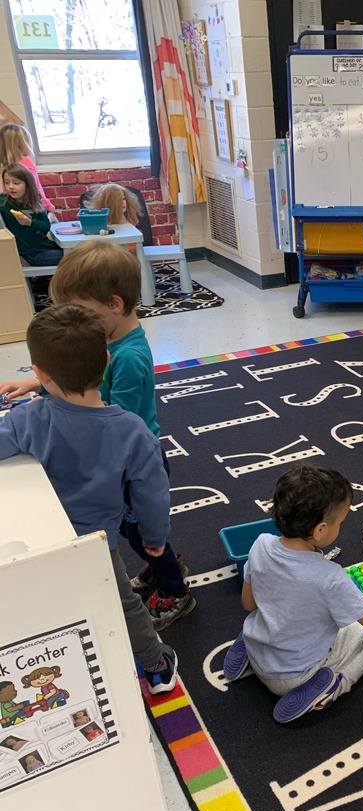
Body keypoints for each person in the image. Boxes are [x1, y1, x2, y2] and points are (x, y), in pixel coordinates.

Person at [0, 242, 194, 629]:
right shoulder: (104, 343)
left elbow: (120, 422)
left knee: (143, 534)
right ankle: (160, 563)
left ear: (114, 304)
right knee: (130, 529)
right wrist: (37, 385)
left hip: (132, 462)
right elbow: (82, 384)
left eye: (81, 311)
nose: (77, 321)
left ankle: (175, 590)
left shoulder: (129, 359)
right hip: (118, 456)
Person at [0, 304, 178, 696]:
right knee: (125, 603)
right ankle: (157, 667)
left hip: (38, 539)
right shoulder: (133, 431)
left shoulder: (28, 419)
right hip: (97, 543)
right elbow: (152, 493)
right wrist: (154, 538)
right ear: (107, 359)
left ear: (40, 373)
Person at [222, 465, 363, 724]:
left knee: (271, 614)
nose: (342, 527)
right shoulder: (330, 577)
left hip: (260, 647)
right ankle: (333, 686)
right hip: (293, 678)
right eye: (341, 522)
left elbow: (248, 604)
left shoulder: (260, 543)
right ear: (320, 530)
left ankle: (252, 653)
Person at [0, 163, 62, 266]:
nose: (11, 187)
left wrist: (29, 222)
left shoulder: (35, 202)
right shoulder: (3, 202)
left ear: (27, 184)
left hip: (45, 247)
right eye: (7, 183)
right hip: (31, 254)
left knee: (77, 252)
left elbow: (45, 226)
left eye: (16, 183)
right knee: (75, 257)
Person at [0, 123, 56, 217]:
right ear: (23, 144)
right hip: (32, 210)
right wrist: (49, 206)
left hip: (10, 212)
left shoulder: (3, 167)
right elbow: (35, 190)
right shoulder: (26, 164)